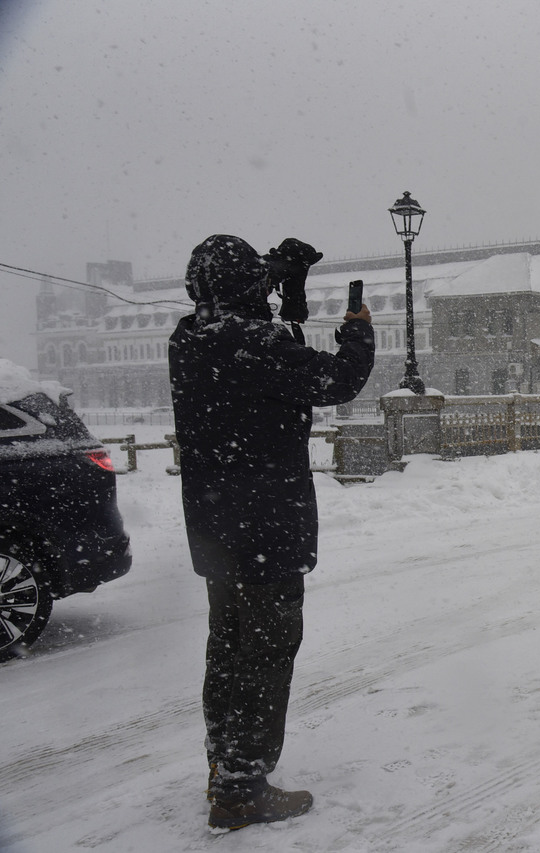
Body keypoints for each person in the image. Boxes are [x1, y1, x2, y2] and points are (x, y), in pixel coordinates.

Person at [169, 235, 375, 831]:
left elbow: (264, 362)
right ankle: (242, 790)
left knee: (227, 650)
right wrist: (359, 332)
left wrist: (284, 298)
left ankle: (223, 765)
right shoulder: (253, 343)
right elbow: (336, 382)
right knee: (265, 653)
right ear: (245, 285)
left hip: (215, 528)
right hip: (267, 526)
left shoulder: (189, 339)